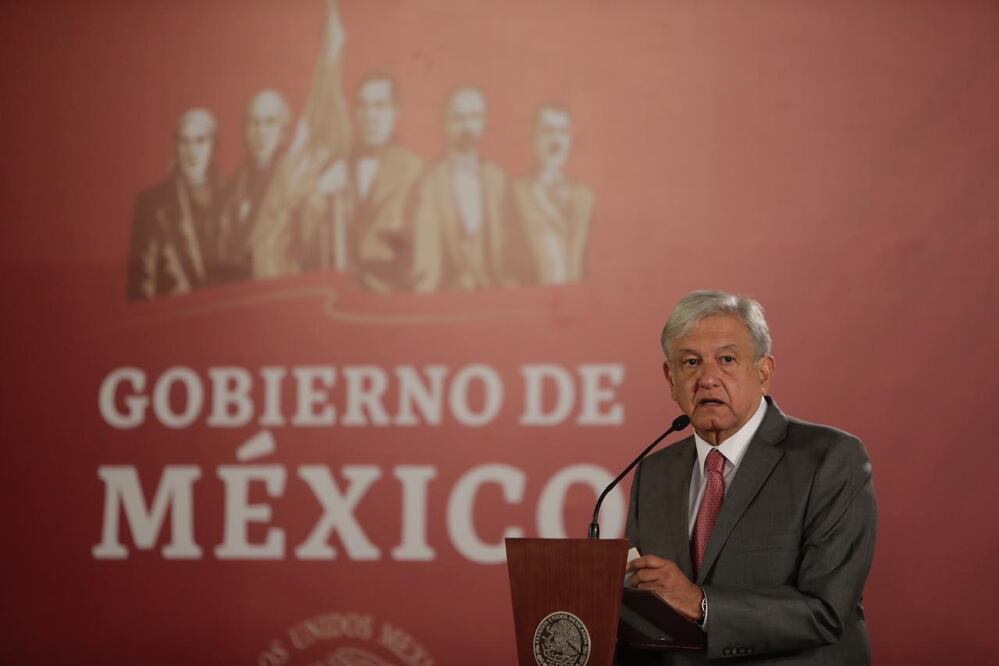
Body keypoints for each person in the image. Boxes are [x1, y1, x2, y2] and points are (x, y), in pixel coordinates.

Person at [621, 290, 876, 664]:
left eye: (727, 359)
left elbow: (827, 612)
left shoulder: (830, 459)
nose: (708, 378)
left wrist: (699, 601)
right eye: (690, 362)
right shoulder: (655, 472)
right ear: (670, 378)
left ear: (763, 372)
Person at [308, 73, 424, 292]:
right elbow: (306, 245)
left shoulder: (415, 171)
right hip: (341, 298)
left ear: (396, 111)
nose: (370, 116)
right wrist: (318, 194)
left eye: (380, 106)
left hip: (395, 297)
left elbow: (423, 253)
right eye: (363, 106)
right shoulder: (335, 169)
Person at [409, 86, 512, 292]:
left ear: (484, 122)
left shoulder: (498, 179)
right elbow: (426, 259)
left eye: (474, 117)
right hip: (448, 296)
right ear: (444, 123)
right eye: (458, 118)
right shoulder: (429, 182)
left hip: (496, 292)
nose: (467, 126)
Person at [127, 108, 222, 300]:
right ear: (176, 147)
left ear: (213, 145)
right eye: (184, 141)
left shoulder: (231, 194)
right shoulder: (152, 204)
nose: (191, 151)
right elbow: (142, 284)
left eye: (200, 141)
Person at [509, 104, 594, 285]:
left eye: (563, 132)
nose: (556, 141)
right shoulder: (517, 192)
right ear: (533, 138)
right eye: (548, 132)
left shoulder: (584, 197)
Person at [214, 89, 292, 283]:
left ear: (284, 130)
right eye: (254, 123)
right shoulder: (230, 186)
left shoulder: (296, 181)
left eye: (270, 122)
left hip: (279, 294)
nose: (261, 132)